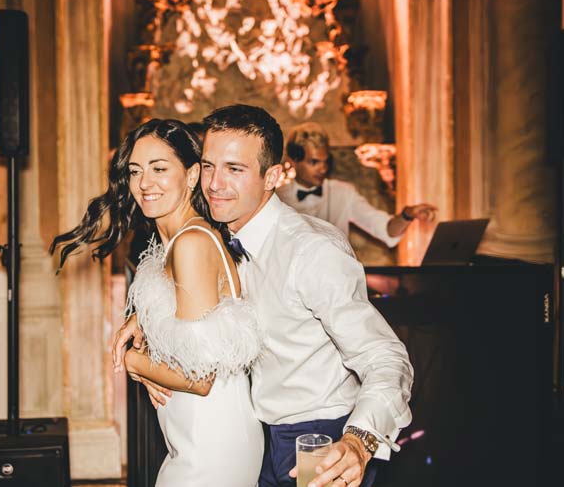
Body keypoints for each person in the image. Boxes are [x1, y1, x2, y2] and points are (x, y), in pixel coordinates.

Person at [114, 105, 414, 487]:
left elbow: (385, 357)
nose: (215, 184)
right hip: (257, 436)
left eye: (234, 170)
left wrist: (359, 440)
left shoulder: (310, 250)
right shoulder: (221, 236)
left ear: (272, 176)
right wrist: (146, 317)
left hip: (319, 438)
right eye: (208, 166)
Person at [52, 119, 264, 486]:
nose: (144, 183)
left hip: (212, 442)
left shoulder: (191, 244)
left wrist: (134, 361)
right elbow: (181, 328)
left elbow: (199, 379)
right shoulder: (176, 241)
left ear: (192, 174)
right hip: (193, 435)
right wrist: (143, 323)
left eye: (159, 169)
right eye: (135, 171)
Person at [277, 122, 436, 248]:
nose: (323, 168)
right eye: (314, 162)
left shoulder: (343, 193)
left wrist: (407, 215)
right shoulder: (276, 198)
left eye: (325, 161)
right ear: (293, 162)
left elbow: (386, 229)